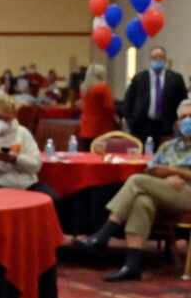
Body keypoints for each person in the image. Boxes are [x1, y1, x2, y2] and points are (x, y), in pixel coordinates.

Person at [76, 98, 191, 282]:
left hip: (188, 193)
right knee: (141, 200)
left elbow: (157, 172)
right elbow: (151, 169)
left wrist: (176, 171)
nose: (187, 121)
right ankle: (132, 265)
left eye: (190, 116)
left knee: (136, 180)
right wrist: (164, 175)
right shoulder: (168, 146)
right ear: (177, 122)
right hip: (164, 190)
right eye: (184, 117)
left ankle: (105, 233)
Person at [122, 46, 188, 145]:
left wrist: (178, 121)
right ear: (150, 59)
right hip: (142, 126)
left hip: (166, 126)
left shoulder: (176, 79)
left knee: (164, 156)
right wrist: (131, 121)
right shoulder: (139, 78)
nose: (157, 60)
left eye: (160, 57)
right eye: (154, 58)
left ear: (165, 59)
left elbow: (183, 103)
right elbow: (128, 102)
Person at [79, 63, 119, 144]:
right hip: (101, 128)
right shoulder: (103, 88)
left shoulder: (84, 88)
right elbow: (109, 107)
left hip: (86, 128)